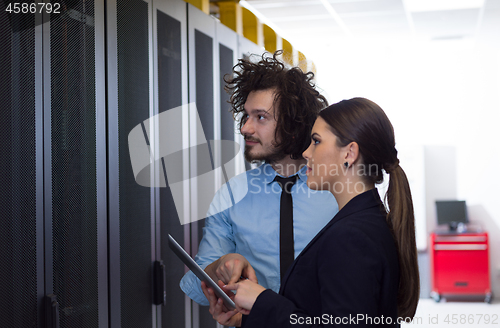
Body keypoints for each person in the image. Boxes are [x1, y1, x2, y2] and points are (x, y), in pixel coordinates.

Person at [223, 97, 420, 327]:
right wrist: (247, 319)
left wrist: (261, 301)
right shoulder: (365, 221)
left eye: (316, 141)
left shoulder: (351, 236)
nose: (306, 152)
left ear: (349, 153)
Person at [179, 51, 339, 327]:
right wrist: (219, 267)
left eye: (260, 117)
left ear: (292, 125)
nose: (245, 128)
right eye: (246, 116)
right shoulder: (231, 194)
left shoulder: (338, 192)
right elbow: (196, 285)